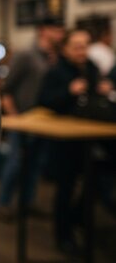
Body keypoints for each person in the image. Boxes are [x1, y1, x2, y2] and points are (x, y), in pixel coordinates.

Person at [39, 28, 113, 256]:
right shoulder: (56, 71)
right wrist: (68, 91)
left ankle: (77, 219)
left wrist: (104, 89)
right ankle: (64, 236)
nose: (82, 51)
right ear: (66, 48)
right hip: (65, 143)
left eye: (85, 45)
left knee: (96, 183)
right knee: (66, 188)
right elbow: (44, 102)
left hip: (90, 139)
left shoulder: (90, 67)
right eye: (77, 46)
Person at [0, 20, 65, 222]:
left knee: (36, 164)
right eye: (56, 30)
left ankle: (28, 202)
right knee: (16, 162)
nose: (60, 34)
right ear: (43, 31)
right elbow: (6, 89)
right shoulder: (26, 55)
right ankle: (3, 204)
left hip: (44, 120)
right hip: (23, 120)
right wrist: (14, 117)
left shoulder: (53, 58)